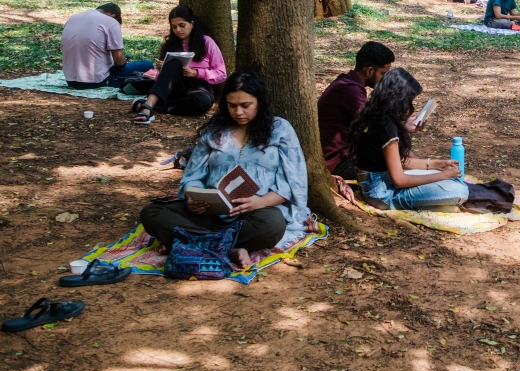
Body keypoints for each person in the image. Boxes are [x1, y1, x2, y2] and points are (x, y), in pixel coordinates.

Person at [139, 71, 312, 268]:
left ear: (260, 102)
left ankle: (190, 241)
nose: (239, 112)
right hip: (210, 213)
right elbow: (192, 175)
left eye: (246, 105)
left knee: (272, 225)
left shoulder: (280, 129)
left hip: (256, 214)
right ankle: (229, 248)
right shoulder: (214, 131)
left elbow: (293, 180)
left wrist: (261, 202)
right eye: (232, 105)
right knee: (151, 213)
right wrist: (194, 198)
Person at [348, 68, 467, 210]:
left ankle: (430, 202)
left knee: (452, 181)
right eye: (409, 101)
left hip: (377, 184)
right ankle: (420, 205)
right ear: (399, 99)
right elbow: (399, 180)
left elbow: (400, 162)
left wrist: (438, 164)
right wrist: (443, 175)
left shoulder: (374, 113)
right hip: (383, 195)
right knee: (460, 190)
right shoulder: (387, 127)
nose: (409, 106)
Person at [318, 42, 394, 203]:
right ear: (369, 71)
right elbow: (376, 124)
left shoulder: (348, 84)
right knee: (394, 165)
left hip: (346, 155)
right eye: (383, 73)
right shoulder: (349, 90)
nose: (385, 79)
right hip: (338, 162)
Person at [129, 6, 226, 125]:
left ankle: (155, 105)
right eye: (174, 27)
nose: (178, 30)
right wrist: (163, 69)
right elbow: (160, 82)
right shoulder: (170, 46)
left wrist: (196, 73)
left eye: (182, 25)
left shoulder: (206, 42)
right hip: (174, 86)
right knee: (174, 63)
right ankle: (147, 108)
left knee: (202, 103)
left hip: (199, 87)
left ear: (192, 24)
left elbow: (221, 74)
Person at [61, 3, 154, 90]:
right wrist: (124, 60)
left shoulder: (73, 18)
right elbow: (119, 62)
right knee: (147, 65)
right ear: (112, 16)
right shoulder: (111, 21)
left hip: (70, 80)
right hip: (97, 81)